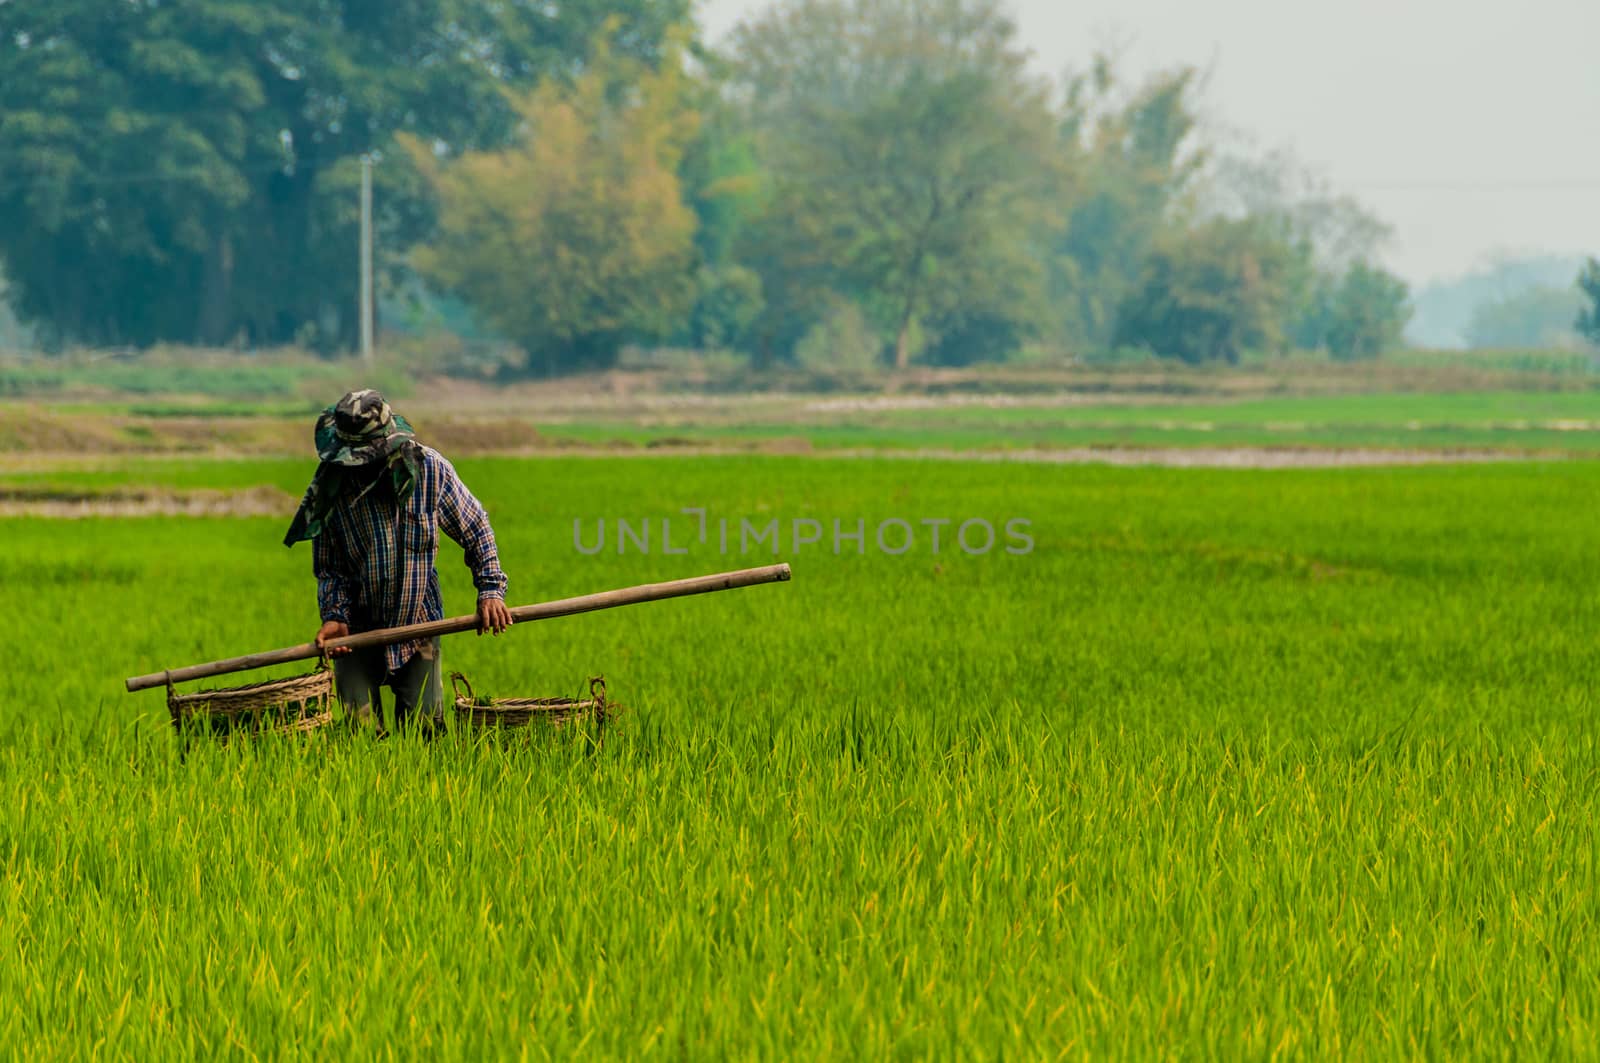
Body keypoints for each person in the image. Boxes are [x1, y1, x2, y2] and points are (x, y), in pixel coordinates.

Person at [283, 390, 514, 734]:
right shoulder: (332, 487)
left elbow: (476, 528)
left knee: (426, 732)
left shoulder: (429, 470)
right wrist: (334, 616)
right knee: (357, 736)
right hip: (356, 633)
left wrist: (491, 591)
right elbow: (330, 568)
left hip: (417, 625)